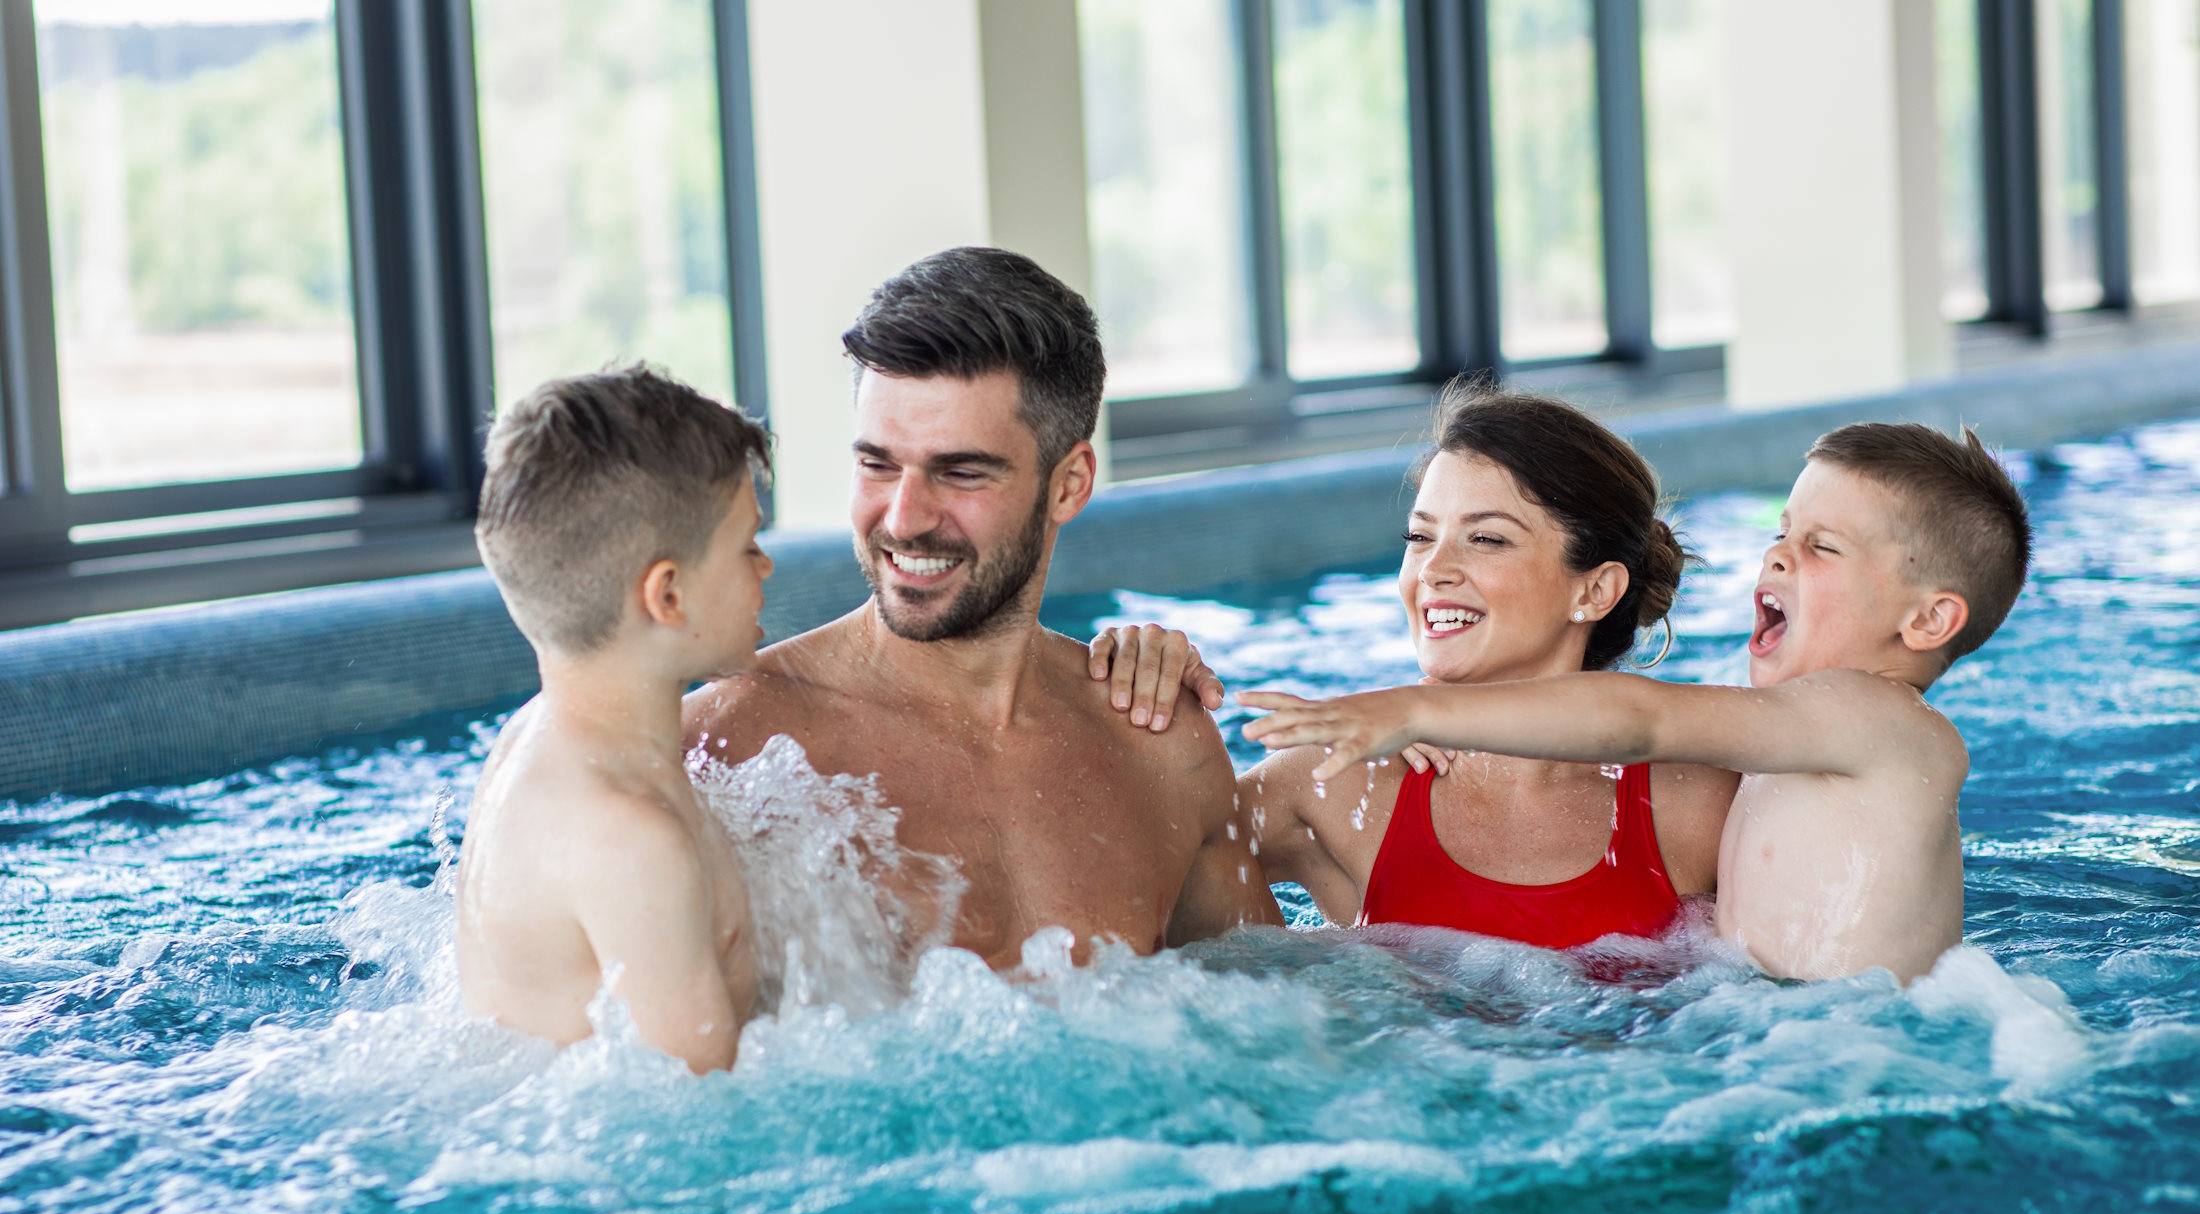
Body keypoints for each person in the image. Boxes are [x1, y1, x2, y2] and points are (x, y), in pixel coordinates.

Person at [1243, 421, 2031, 982]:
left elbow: (1644, 718)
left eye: (1820, 546)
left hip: (1859, 1059)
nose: (1776, 555)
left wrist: (1415, 710)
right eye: (1782, 531)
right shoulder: (1796, 749)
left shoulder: (1876, 720)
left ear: (1930, 620)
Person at [684, 247, 1278, 969]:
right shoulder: (729, 749)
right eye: (877, 463)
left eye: (960, 471)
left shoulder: (1159, 745)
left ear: (1070, 484)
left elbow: (1281, 1020)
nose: (903, 518)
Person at [1096, 382, 1737, 953]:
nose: (1433, 570)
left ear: (1594, 591)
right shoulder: (1337, 786)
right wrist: (1133, 700)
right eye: (1419, 536)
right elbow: (1109, 887)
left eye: (1486, 538)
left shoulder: (1693, 807)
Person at [455, 367, 775, 1072]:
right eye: (748, 545)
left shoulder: (541, 738)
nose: (768, 565)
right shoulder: (632, 843)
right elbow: (703, 1123)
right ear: (668, 595)